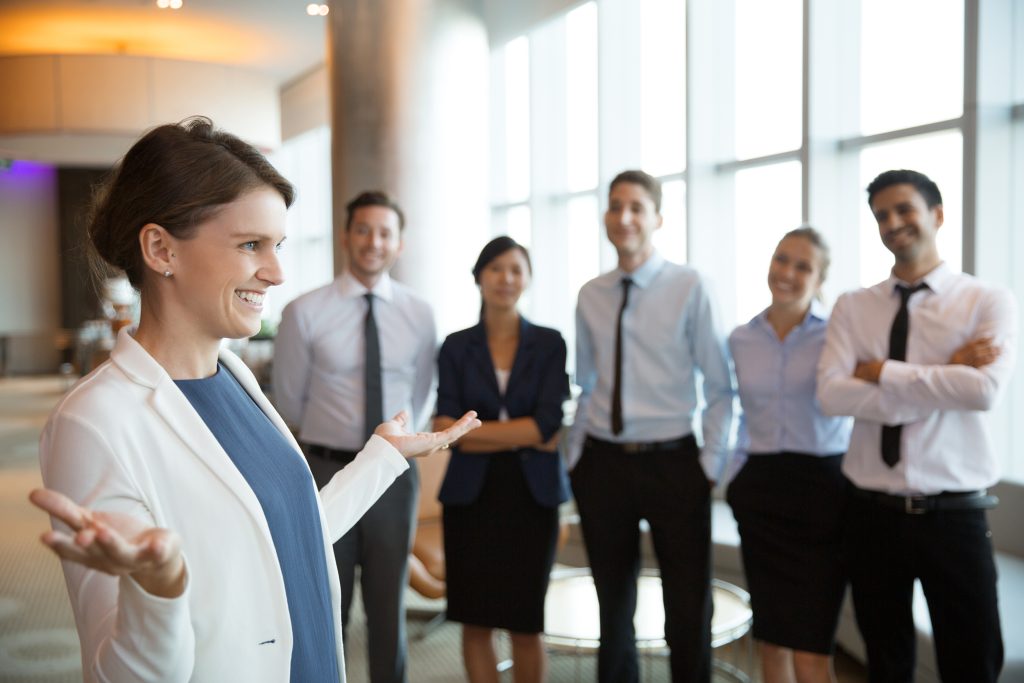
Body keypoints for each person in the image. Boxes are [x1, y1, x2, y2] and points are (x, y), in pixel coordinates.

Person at [29, 117, 479, 683]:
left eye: (278, 245)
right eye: (250, 245)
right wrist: (160, 591)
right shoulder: (94, 423)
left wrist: (380, 457)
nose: (276, 272)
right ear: (160, 248)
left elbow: (285, 536)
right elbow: (125, 675)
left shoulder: (234, 377)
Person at [817, 169, 1016, 683]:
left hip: (954, 514)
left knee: (971, 661)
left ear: (937, 215)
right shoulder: (853, 305)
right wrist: (946, 372)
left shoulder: (985, 300)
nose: (893, 222)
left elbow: (983, 392)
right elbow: (832, 394)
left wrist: (883, 372)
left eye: (904, 209)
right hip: (869, 512)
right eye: (882, 215)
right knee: (884, 661)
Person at [567, 170, 735, 683]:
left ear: (657, 218)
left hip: (673, 461)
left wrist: (708, 464)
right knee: (612, 604)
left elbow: (721, 384)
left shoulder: (691, 286)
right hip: (602, 461)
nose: (625, 217)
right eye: (616, 206)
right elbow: (588, 382)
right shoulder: (590, 294)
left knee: (687, 602)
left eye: (637, 207)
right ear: (605, 218)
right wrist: (575, 457)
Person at [272, 190, 436, 683]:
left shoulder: (420, 313)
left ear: (399, 244)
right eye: (363, 230)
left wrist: (397, 450)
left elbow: (425, 388)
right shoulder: (305, 311)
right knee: (328, 603)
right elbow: (289, 401)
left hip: (394, 476)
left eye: (385, 233)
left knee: (389, 607)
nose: (373, 242)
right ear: (346, 236)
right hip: (327, 471)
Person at [434, 236, 570, 683]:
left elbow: (547, 426)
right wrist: (522, 435)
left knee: (526, 624)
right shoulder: (455, 346)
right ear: (479, 278)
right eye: (496, 268)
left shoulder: (550, 343)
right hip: (471, 498)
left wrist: (476, 433)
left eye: (515, 269)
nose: (505, 278)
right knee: (475, 622)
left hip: (534, 499)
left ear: (527, 280)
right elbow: (446, 430)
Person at [725, 227, 852, 683]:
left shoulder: (837, 335)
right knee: (772, 637)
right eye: (782, 260)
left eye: (803, 267)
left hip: (823, 491)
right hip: (760, 491)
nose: (788, 273)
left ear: (819, 280)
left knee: (812, 646)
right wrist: (735, 473)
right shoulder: (741, 338)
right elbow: (739, 411)